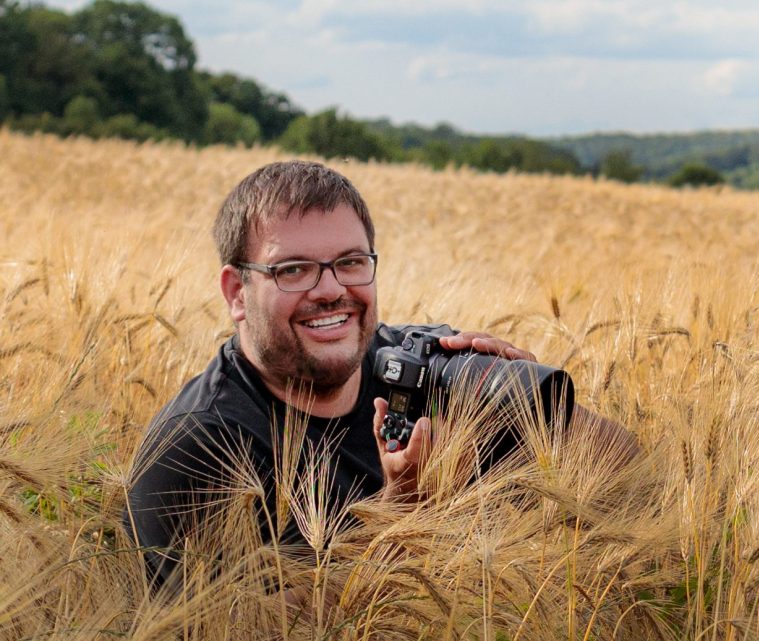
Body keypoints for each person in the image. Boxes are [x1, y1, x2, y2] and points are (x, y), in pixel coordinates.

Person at [125, 160, 636, 589]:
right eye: (294, 270)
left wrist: (529, 401)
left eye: (350, 262)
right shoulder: (198, 445)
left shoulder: (422, 372)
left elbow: (634, 482)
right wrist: (406, 515)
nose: (330, 290)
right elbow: (257, 626)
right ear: (237, 292)